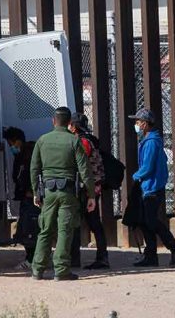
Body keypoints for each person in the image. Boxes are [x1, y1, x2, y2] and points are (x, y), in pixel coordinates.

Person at [30, 107, 96, 281]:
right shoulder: (74, 141)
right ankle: (61, 270)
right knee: (64, 230)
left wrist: (36, 192)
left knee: (45, 230)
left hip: (48, 192)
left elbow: (34, 168)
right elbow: (85, 170)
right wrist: (91, 195)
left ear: (53, 121)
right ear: (69, 123)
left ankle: (37, 269)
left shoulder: (42, 141)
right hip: (67, 192)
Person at [128, 108, 175, 267]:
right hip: (151, 186)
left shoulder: (151, 142)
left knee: (151, 221)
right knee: (146, 221)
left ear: (145, 124)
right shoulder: (152, 140)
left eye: (138, 121)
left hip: (151, 187)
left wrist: (136, 176)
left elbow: (148, 166)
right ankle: (151, 255)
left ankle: (174, 247)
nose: (137, 124)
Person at [69, 112, 110, 270]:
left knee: (89, 223)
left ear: (74, 126)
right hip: (89, 187)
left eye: (70, 124)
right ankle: (98, 257)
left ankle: (99, 258)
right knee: (92, 223)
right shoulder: (86, 140)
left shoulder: (83, 142)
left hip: (86, 189)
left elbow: (79, 164)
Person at [3, 127, 38, 271]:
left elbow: (31, 175)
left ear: (18, 141)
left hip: (31, 198)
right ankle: (33, 258)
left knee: (29, 230)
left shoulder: (29, 154)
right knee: (25, 230)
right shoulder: (23, 154)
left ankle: (32, 260)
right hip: (27, 197)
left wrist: (32, 191)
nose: (11, 147)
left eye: (11, 143)